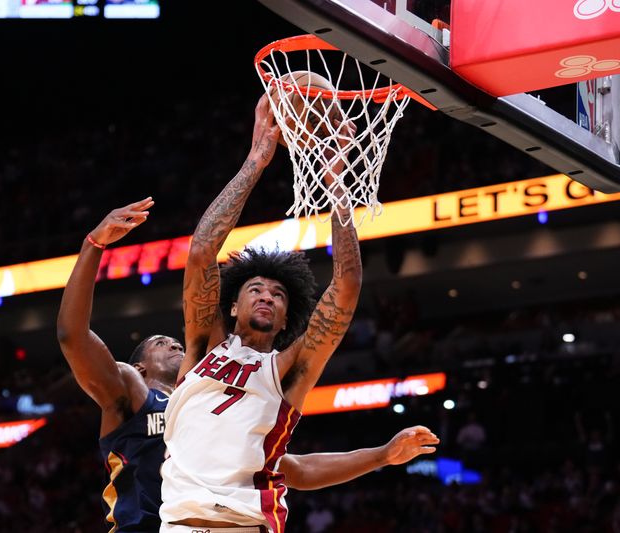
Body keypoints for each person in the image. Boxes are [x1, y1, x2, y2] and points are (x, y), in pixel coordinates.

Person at [57, 198, 440, 532]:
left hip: (228, 522)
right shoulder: (134, 389)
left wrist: (383, 455)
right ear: (139, 367)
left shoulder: (233, 394)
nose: (173, 343)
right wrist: (93, 245)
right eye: (160, 343)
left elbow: (295, 471)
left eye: (276, 294)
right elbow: (74, 337)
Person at [160, 93, 373, 532]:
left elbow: (346, 287)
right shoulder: (201, 349)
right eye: (255, 288)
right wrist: (256, 160)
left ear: (285, 316)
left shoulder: (287, 370)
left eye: (277, 295)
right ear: (232, 305)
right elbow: (202, 252)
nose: (266, 297)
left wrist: (337, 185)